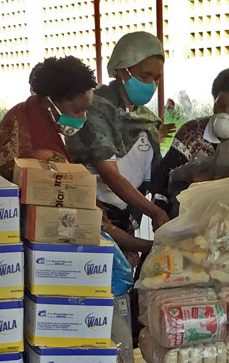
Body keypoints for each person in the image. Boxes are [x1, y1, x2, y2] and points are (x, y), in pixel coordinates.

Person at [65, 31, 171, 261]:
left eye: (156, 77)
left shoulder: (145, 118)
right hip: (96, 215)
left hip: (127, 216)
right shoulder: (96, 109)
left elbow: (152, 174)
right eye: (145, 75)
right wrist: (155, 212)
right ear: (123, 70)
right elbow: (109, 174)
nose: (151, 84)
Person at [153, 66, 229, 209]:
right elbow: (164, 174)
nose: (225, 114)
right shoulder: (190, 132)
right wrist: (160, 208)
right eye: (220, 106)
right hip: (187, 215)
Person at [0, 55, 97, 182]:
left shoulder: (27, 110)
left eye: (86, 110)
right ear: (48, 103)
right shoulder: (39, 143)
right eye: (76, 110)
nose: (82, 117)